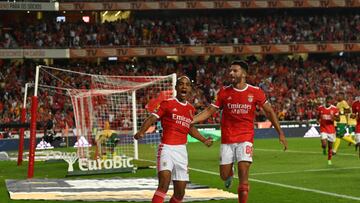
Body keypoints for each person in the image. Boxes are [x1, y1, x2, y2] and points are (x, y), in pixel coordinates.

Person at [192, 60, 288, 203]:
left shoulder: (256, 92)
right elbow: (209, 110)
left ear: (243, 74)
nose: (231, 73)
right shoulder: (224, 92)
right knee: (224, 175)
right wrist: (191, 120)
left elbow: (269, 111)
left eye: (235, 70)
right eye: (230, 70)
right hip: (228, 139)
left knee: (244, 175)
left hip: (245, 138)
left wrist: (280, 132)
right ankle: (230, 173)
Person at [134, 76, 213, 203]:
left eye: (187, 85)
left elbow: (190, 128)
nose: (184, 86)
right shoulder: (167, 103)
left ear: (190, 89)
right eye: (181, 84)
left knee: (180, 193)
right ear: (176, 87)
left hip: (181, 152)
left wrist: (204, 140)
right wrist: (141, 131)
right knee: (164, 184)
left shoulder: (190, 109)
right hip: (167, 149)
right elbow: (152, 118)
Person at [317, 96, 339, 165]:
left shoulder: (334, 109)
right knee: (324, 144)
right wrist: (317, 120)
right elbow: (318, 116)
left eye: (330, 102)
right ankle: (323, 148)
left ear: (331, 102)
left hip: (331, 130)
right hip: (323, 128)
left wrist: (334, 118)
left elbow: (339, 119)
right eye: (327, 102)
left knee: (330, 146)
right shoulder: (320, 108)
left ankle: (329, 159)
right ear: (325, 101)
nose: (328, 103)